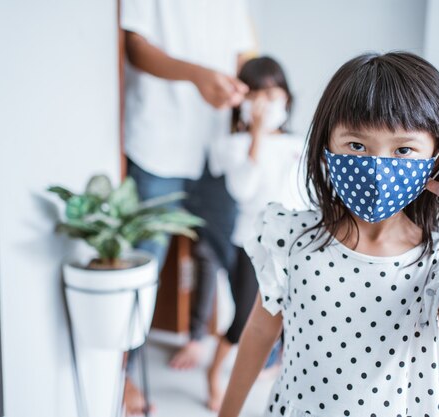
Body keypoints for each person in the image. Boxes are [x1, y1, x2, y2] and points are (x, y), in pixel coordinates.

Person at [217, 51, 439, 417]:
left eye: (403, 149)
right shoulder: (291, 237)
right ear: (326, 146)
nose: (377, 167)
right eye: (356, 146)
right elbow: (259, 331)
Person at [119, 0, 254, 414]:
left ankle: (239, 352)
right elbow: (135, 47)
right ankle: (124, 373)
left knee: (239, 255)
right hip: (156, 143)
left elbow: (246, 52)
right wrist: (197, 75)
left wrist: (255, 87)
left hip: (216, 145)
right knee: (144, 263)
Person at [206, 56, 308, 412]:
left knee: (290, 316)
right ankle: (214, 376)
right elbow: (243, 190)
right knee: (242, 320)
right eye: (256, 96)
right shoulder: (231, 145)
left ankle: (272, 366)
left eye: (272, 95)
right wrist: (258, 135)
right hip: (250, 243)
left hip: (294, 243)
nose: (265, 105)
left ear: (287, 99)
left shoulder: (300, 144)